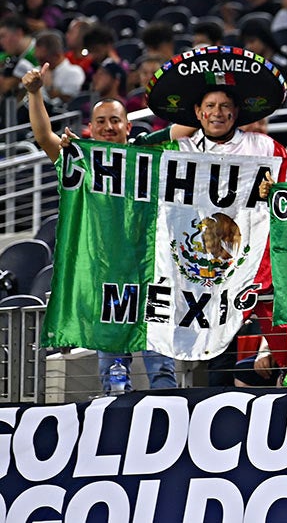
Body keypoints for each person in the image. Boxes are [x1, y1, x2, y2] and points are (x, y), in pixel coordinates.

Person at [23, 65, 178, 393]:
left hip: (153, 277)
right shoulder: (82, 161)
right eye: (101, 121)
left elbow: (186, 132)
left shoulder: (150, 155)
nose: (109, 127)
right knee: (114, 378)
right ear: (90, 128)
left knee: (162, 369)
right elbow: (44, 137)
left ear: (128, 126)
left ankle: (169, 419)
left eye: (115, 120)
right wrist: (35, 93)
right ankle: (118, 422)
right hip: (108, 280)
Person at [146, 45, 287, 384]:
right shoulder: (179, 149)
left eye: (225, 106)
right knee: (215, 358)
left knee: (279, 346)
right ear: (197, 112)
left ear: (237, 112)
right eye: (209, 106)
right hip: (199, 268)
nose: (217, 113)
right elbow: (135, 153)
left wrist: (276, 192)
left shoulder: (264, 146)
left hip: (255, 263)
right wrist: (171, 131)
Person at [32, 30, 84, 104]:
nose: (39, 63)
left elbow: (68, 101)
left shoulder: (74, 73)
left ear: (57, 56)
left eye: (42, 59)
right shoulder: (36, 70)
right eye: (37, 58)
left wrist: (49, 88)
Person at [0, 15, 39, 96]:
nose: (1, 42)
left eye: (3, 36)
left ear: (18, 33)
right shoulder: (7, 55)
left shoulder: (41, 54)